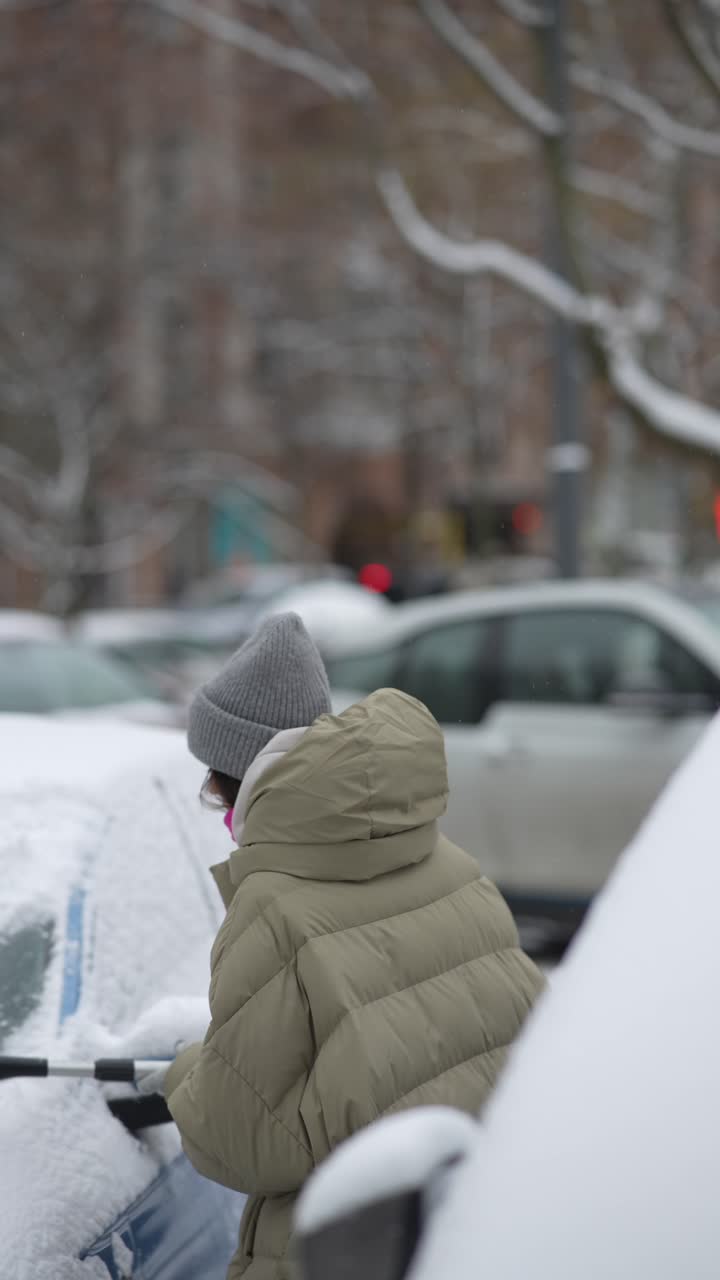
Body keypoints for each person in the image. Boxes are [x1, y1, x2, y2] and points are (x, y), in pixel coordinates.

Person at [163, 612, 544, 1280]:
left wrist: (180, 1073)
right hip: (456, 1229)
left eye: (212, 789)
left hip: (333, 1251)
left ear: (238, 777)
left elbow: (238, 1138)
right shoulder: (448, 862)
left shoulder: (274, 908)